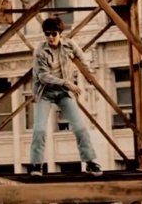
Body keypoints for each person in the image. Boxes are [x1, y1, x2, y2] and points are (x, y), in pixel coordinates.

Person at [29, 17, 102, 176]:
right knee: (39, 129)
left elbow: (82, 58)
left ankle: (90, 162)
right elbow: (43, 76)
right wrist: (66, 83)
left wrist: (88, 73)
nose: (50, 37)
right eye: (47, 34)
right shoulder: (40, 51)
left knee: (80, 127)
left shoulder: (69, 45)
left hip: (63, 93)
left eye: (53, 34)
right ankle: (36, 165)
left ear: (60, 33)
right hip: (45, 92)